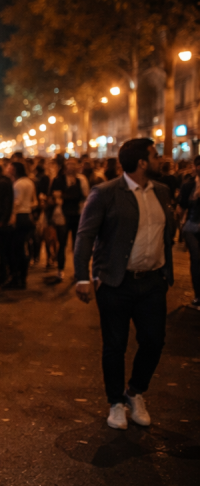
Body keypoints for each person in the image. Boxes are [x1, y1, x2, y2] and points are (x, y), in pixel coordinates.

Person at [74, 138, 175, 431]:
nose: (161, 160)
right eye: (155, 156)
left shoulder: (163, 192)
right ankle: (115, 402)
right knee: (114, 346)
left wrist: (167, 272)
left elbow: (167, 235)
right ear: (142, 162)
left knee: (154, 341)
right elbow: (85, 236)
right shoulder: (105, 193)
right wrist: (83, 277)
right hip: (117, 282)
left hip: (153, 281)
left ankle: (135, 392)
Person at [50, 157, 89, 281]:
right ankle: (60, 270)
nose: (71, 167)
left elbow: (84, 196)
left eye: (73, 164)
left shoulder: (80, 180)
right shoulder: (58, 180)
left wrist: (64, 195)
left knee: (77, 245)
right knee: (62, 244)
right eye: (68, 164)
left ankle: (78, 271)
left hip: (77, 215)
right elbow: (54, 196)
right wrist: (66, 196)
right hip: (63, 215)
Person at [7, 160, 38, 289]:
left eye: (10, 167)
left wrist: (11, 216)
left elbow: (16, 203)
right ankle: (22, 277)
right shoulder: (29, 182)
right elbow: (33, 201)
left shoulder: (18, 184)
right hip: (27, 216)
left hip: (19, 217)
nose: (8, 169)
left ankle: (18, 277)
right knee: (21, 248)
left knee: (15, 249)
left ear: (15, 170)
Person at [177, 156, 200, 310]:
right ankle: (198, 294)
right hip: (192, 226)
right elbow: (181, 206)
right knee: (196, 258)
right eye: (197, 166)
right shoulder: (189, 186)